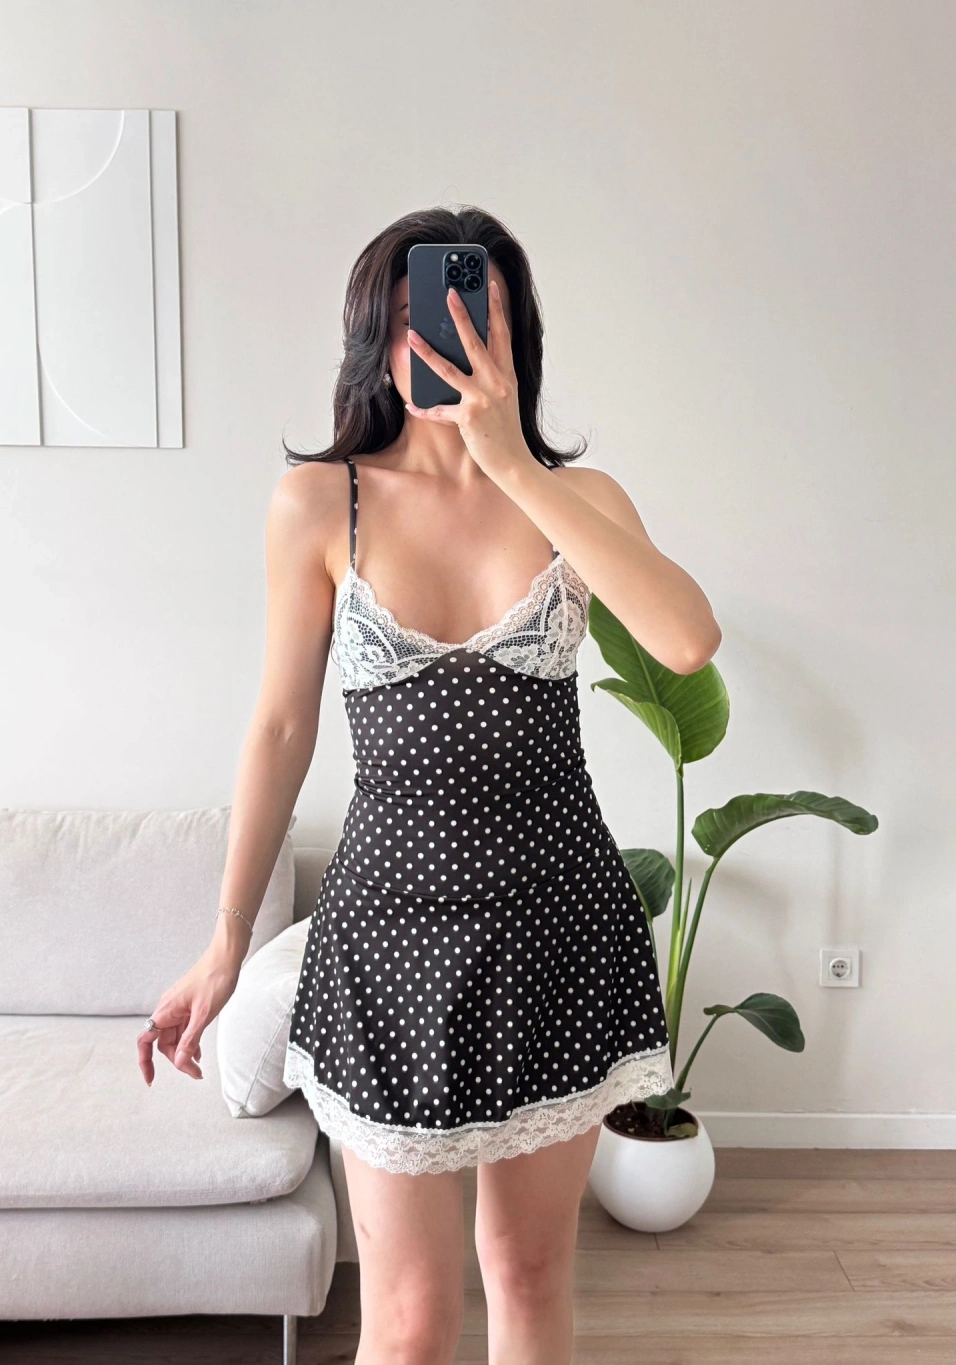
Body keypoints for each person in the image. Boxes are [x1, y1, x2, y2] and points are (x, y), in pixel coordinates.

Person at [138, 205, 721, 1365]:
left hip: (558, 929)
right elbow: (281, 725)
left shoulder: (580, 500)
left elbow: (686, 640)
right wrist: (223, 940)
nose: (445, 337)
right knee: (404, 1324)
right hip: (386, 940)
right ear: (378, 331)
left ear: (515, 338)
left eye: (474, 312)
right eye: (422, 313)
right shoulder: (321, 502)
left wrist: (510, 463)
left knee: (529, 1277)